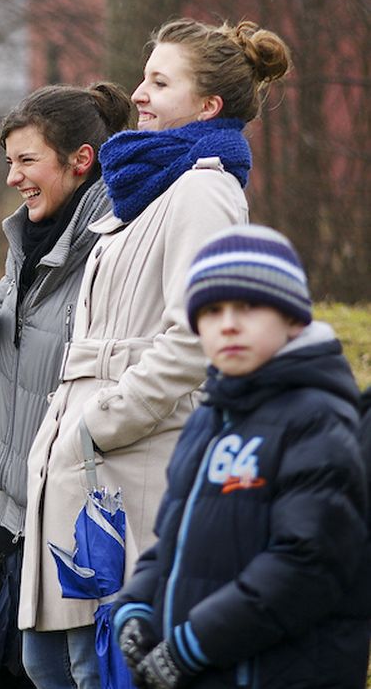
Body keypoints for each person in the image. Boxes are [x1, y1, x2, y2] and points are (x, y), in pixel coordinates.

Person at [19, 19, 291, 689]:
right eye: (145, 77)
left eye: (160, 83)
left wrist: (100, 424)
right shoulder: (147, 187)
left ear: (208, 106)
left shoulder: (204, 191)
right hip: (84, 464)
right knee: (48, 662)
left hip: (130, 465)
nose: (138, 94)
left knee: (97, 667)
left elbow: (198, 335)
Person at [113, 224, 370, 689]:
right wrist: (135, 606)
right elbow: (171, 541)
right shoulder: (206, 419)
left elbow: (305, 565)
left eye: (248, 307)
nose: (228, 324)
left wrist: (191, 645)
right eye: (211, 311)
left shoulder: (317, 418)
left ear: (293, 319)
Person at [0, 81, 132, 688]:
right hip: (13, 508)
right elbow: (1, 356)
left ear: (81, 159)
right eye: (10, 162)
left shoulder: (112, 250)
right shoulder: (27, 237)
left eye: (27, 160)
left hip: (70, 520)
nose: (13, 178)